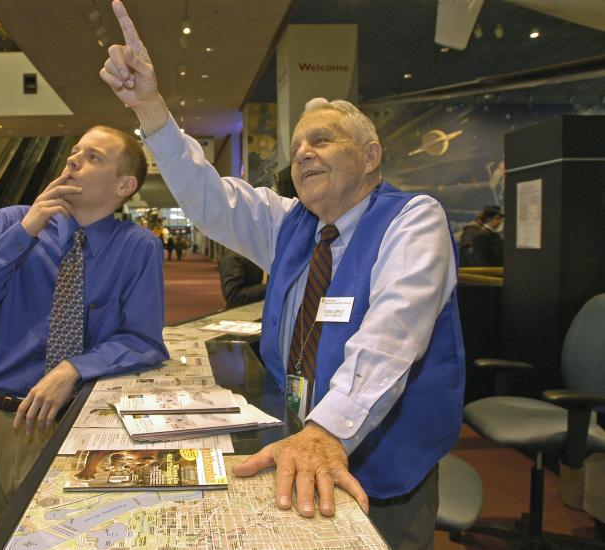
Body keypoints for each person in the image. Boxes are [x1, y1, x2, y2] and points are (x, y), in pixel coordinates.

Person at [99, 4, 464, 548]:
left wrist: (326, 431)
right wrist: (151, 108)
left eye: (321, 140)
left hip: (382, 470)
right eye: (296, 148)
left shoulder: (414, 220)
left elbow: (393, 335)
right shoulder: (290, 223)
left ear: (370, 156)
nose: (303, 154)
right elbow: (208, 198)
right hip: (295, 448)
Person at [0, 124, 169, 549]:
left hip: (74, 426)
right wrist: (23, 232)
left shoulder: (137, 247)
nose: (72, 161)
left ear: (125, 184)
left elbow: (144, 340)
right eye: (75, 152)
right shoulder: (9, 224)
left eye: (93, 157)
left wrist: (74, 368)